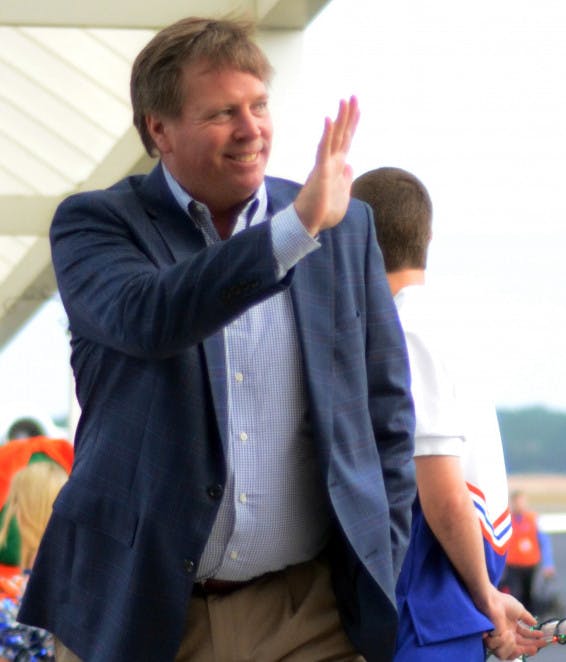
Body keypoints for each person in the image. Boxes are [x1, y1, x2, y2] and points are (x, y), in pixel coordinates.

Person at [18, 17, 416, 662]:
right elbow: (149, 316)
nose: (251, 128)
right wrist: (296, 229)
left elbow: (386, 414)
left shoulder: (347, 229)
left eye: (258, 105)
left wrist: (383, 557)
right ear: (158, 129)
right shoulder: (96, 225)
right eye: (222, 112)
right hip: (139, 613)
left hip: (307, 614)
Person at [353, 167, 545, 661]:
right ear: (428, 236)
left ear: (354, 237)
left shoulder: (404, 331)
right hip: (448, 605)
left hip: (429, 603)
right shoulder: (447, 326)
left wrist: (486, 597)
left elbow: (443, 494)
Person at [501, 490, 556, 616]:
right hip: (512, 565)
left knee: (529, 595)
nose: (519, 505)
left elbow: (544, 542)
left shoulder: (533, 519)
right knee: (514, 594)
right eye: (516, 502)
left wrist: (548, 564)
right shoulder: (507, 520)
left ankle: (530, 622)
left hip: (530, 564)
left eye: (521, 502)